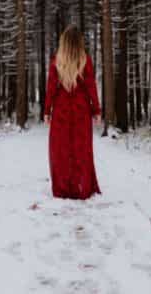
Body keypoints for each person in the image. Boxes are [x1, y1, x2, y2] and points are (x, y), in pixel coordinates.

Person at [44, 25, 101, 200]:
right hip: (81, 110)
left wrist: (47, 110)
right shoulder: (86, 61)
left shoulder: (56, 61)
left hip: (61, 109)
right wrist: (96, 110)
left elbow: (51, 88)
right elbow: (91, 87)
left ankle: (62, 189)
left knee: (60, 150)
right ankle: (81, 188)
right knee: (81, 149)